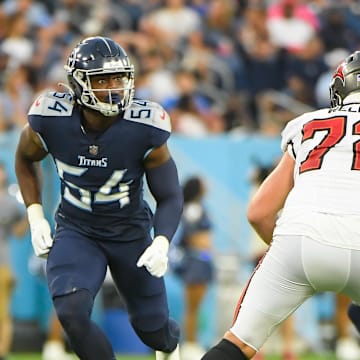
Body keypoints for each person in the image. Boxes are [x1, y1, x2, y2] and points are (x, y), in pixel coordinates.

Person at [14, 36, 183, 360]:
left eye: (118, 78)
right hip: (77, 229)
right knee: (72, 312)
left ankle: (170, 345)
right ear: (78, 83)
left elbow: (170, 194)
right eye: (101, 78)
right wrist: (35, 216)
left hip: (129, 232)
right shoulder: (50, 118)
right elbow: (24, 158)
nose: (113, 87)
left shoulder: (144, 126)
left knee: (152, 328)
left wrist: (161, 241)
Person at [201, 50, 360, 360]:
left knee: (238, 344)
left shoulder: (309, 123)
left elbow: (258, 212)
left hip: (299, 239)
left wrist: (292, 252)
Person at [171, 176, 214, 360]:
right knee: (192, 307)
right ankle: (190, 344)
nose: (208, 184)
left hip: (200, 261)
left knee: (195, 307)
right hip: (196, 262)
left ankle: (192, 343)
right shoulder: (193, 210)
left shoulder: (196, 208)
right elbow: (192, 236)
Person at [0, 162, 28, 360]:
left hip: (2, 263)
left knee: (2, 311)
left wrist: (31, 212)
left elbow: (18, 233)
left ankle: (2, 351)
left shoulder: (9, 202)